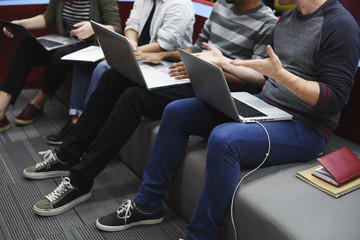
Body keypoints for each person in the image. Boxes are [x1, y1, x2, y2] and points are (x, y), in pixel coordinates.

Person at [93, 0, 360, 239]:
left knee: (225, 138)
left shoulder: (340, 25)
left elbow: (333, 99)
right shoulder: (288, 19)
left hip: (307, 127)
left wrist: (279, 76)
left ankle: (200, 235)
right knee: (177, 111)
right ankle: (147, 205)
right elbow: (266, 78)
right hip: (268, 106)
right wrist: (224, 63)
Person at [23, 0, 278, 217]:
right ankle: (68, 155)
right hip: (190, 76)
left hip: (218, 90)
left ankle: (80, 181)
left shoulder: (267, 22)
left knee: (134, 97)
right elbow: (197, 49)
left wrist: (207, 70)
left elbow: (251, 80)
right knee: (113, 76)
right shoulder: (223, 6)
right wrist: (164, 57)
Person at [46, 0, 195, 145]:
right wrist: (131, 44)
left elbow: (165, 45)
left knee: (104, 67)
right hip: (139, 54)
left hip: (162, 63)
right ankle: (76, 121)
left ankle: (86, 130)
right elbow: (131, 25)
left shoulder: (179, 4)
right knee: (84, 63)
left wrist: (126, 51)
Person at [0, 0, 121, 133]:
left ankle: (37, 103)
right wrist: (21, 24)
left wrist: (94, 28)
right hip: (64, 41)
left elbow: (116, 27)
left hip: (89, 47)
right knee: (25, 48)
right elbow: (48, 18)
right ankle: (1, 108)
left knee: (59, 56)